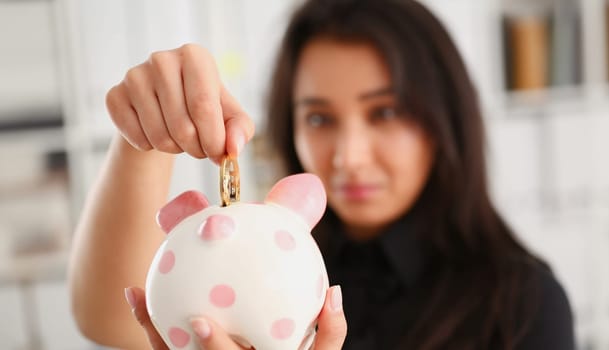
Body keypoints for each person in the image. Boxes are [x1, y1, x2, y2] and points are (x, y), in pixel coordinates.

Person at [67, 0, 576, 349]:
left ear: (444, 121)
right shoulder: (249, 264)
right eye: (319, 118)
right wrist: (146, 136)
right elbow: (109, 319)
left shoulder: (522, 303)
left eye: (386, 113)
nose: (348, 156)